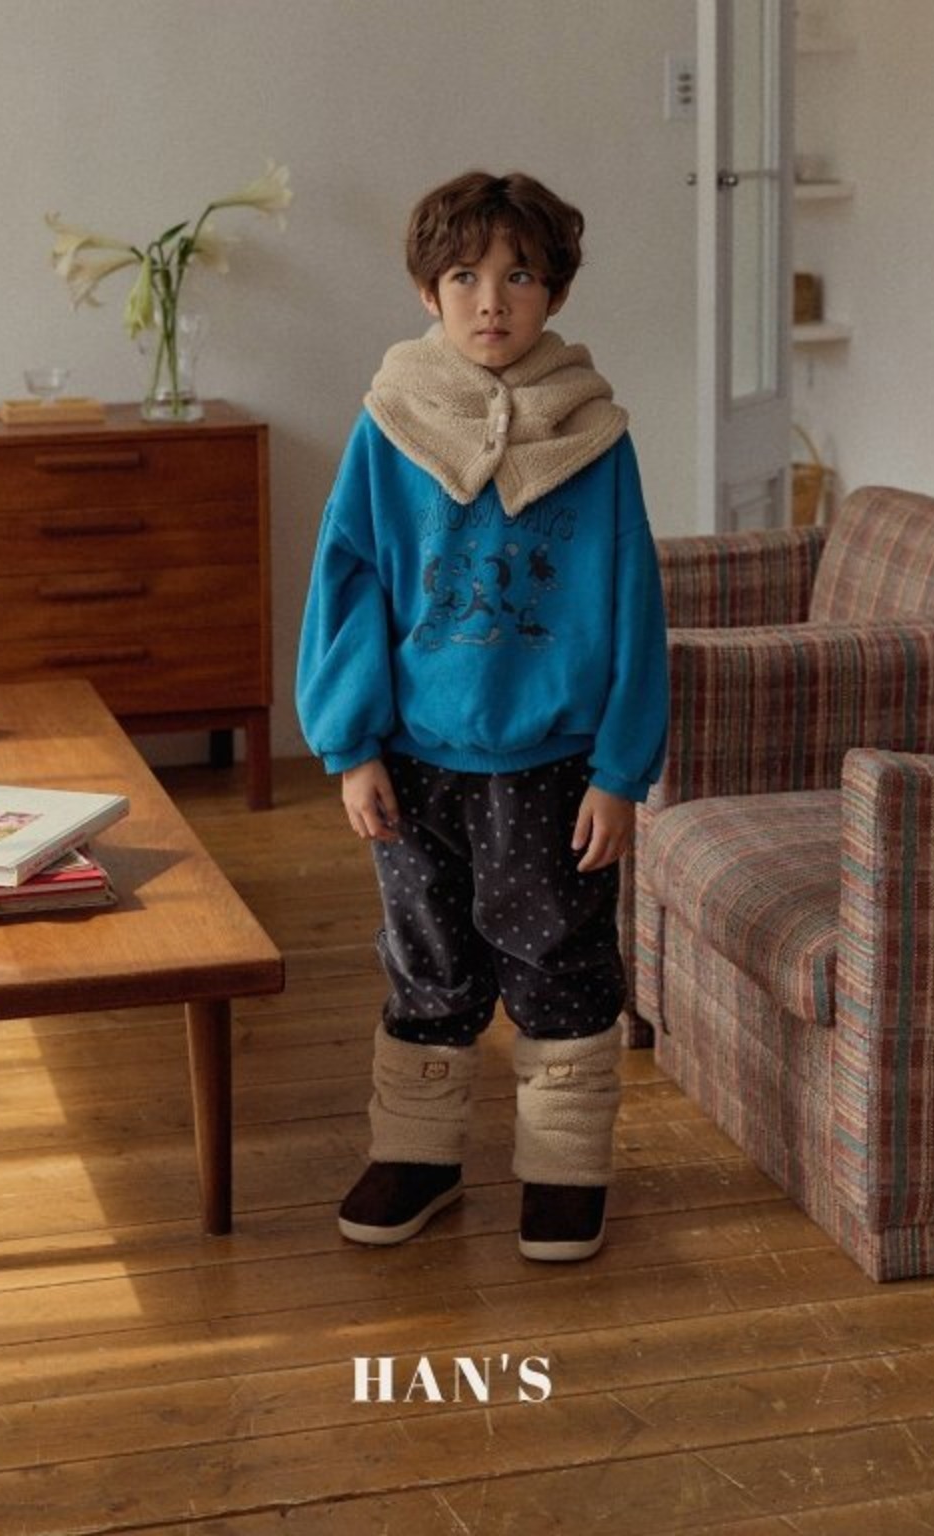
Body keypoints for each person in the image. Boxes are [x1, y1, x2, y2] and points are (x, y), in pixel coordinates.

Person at [296, 170, 668, 1262]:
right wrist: (350, 745)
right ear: (428, 291)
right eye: (464, 276)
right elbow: (348, 584)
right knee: (425, 957)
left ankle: (564, 1171)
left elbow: (633, 603)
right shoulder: (388, 426)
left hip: (555, 761)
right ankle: (418, 1157)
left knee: (559, 959)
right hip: (414, 758)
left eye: (519, 276)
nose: (490, 300)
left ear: (555, 292)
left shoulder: (596, 437)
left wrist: (621, 770)